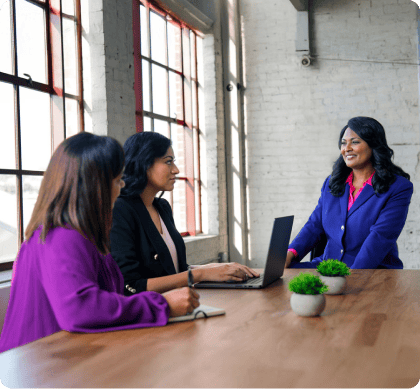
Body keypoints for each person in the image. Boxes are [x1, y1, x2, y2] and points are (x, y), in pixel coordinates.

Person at [0, 133, 199, 353]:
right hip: (38, 368)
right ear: (95, 186)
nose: (121, 187)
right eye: (116, 180)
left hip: (63, 357)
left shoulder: (80, 234)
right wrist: (163, 305)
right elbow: (80, 309)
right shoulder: (63, 235)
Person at [110, 131, 259, 295]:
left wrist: (214, 268)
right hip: (151, 313)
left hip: (179, 304)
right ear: (143, 164)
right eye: (168, 162)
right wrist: (201, 274)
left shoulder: (162, 207)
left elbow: (172, 270)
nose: (176, 170)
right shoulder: (120, 210)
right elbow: (129, 286)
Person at [285, 116, 413, 269]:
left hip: (371, 271)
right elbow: (315, 225)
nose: (347, 148)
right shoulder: (332, 183)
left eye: (355, 142)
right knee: (280, 276)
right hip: (330, 267)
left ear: (374, 145)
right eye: (344, 143)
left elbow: (380, 237)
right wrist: (290, 254)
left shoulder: (398, 187)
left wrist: (352, 279)